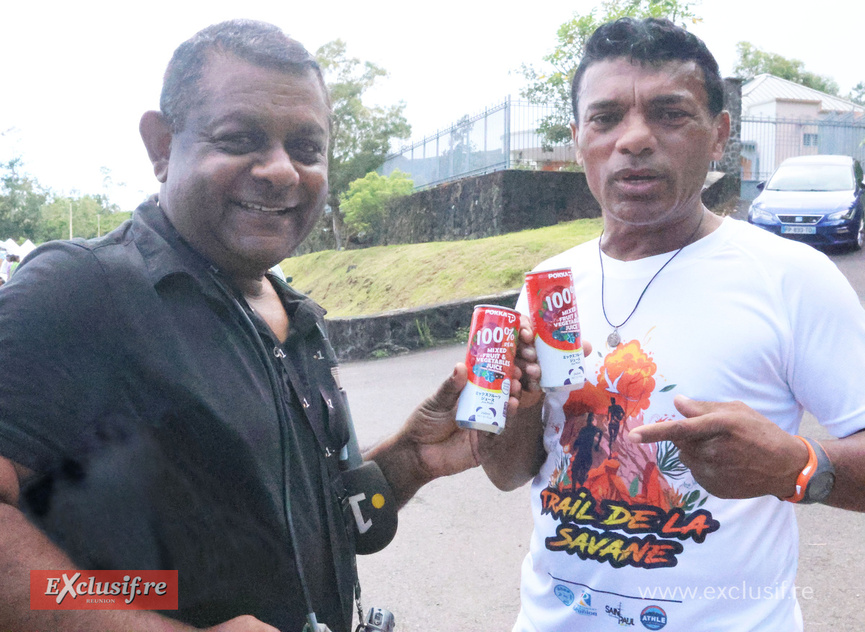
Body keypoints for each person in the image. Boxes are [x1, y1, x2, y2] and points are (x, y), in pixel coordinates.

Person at [0, 20, 534, 632]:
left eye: (307, 149)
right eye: (239, 138)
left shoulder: (296, 318)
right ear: (162, 145)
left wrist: (413, 458)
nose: (282, 171)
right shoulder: (82, 291)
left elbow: (305, 524)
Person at [480, 17, 865, 631]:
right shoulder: (548, 285)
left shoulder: (792, 279)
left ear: (719, 136)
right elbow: (508, 473)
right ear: (578, 138)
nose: (634, 139)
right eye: (605, 118)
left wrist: (798, 465)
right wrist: (513, 411)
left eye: (669, 113)